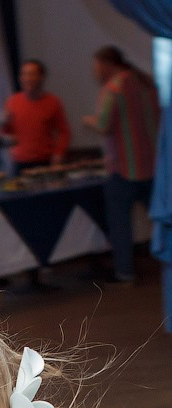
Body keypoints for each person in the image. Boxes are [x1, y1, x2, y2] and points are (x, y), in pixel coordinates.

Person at [83, 45, 160, 284]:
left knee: (120, 225)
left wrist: (88, 120)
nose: (95, 72)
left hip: (124, 168)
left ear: (107, 65)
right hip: (153, 165)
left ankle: (124, 271)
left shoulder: (113, 88)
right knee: (160, 218)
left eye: (96, 66)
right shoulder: (146, 83)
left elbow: (104, 125)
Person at [0, 59, 71, 172]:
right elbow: (5, 132)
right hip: (20, 162)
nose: (27, 79)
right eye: (24, 74)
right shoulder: (12, 102)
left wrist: (58, 154)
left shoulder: (53, 102)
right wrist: (3, 126)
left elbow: (64, 132)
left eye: (31, 74)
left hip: (45, 161)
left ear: (41, 77)